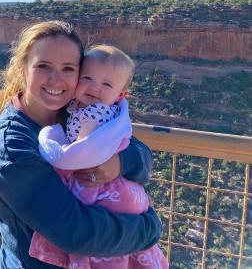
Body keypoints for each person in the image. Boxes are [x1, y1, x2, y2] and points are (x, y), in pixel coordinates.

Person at [0, 21, 162, 269]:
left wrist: (119, 162)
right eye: (43, 66)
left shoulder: (76, 111)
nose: (56, 80)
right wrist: (149, 229)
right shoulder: (12, 147)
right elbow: (75, 233)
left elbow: (141, 156)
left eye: (68, 68)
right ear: (23, 69)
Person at [28, 45, 168, 268]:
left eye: (106, 84)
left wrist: (50, 142)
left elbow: (80, 154)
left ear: (121, 95)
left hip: (101, 187)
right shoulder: (81, 108)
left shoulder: (96, 112)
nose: (95, 87)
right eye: (88, 78)